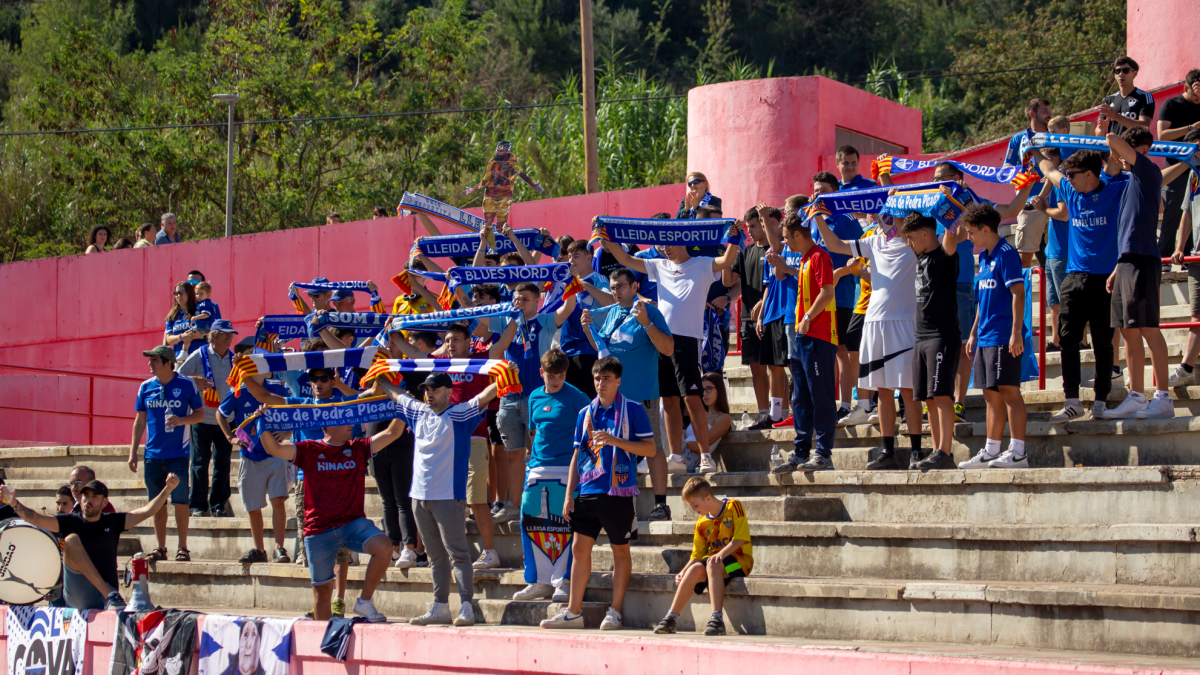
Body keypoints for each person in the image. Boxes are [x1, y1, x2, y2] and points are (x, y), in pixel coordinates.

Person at [601, 221, 740, 474]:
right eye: (662, 243)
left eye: (670, 242)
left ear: (683, 240)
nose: (666, 248)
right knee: (669, 399)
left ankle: (705, 455)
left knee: (691, 398)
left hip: (687, 340)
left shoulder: (702, 263)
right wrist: (605, 235)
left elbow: (727, 259)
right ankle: (676, 456)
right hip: (660, 338)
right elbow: (625, 258)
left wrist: (734, 236)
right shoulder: (659, 265)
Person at [376, 372, 501, 627]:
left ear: (448, 391)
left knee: (458, 553)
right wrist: (379, 377)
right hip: (419, 496)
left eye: (434, 389)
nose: (429, 393)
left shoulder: (460, 413)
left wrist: (507, 374)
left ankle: (466, 605)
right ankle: (440, 606)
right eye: (426, 390)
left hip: (448, 495)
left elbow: (485, 395)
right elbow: (398, 395)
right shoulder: (419, 411)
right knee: (434, 556)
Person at [258, 410, 406, 622]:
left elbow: (392, 433)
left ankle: (364, 602)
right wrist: (262, 421)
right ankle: (324, 644)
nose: (350, 425)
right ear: (328, 427)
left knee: (384, 546)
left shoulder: (358, 447)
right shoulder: (309, 449)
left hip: (352, 524)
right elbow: (273, 448)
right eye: (343, 422)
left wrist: (402, 407)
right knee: (322, 594)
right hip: (318, 530)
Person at [541, 357, 656, 631]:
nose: (600, 384)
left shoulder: (633, 409)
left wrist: (616, 441)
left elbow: (650, 449)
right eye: (596, 379)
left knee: (620, 552)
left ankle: (615, 611)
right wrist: (569, 494)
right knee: (580, 550)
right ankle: (573, 611)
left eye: (606, 378)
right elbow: (576, 457)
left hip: (618, 490)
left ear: (618, 381)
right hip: (588, 490)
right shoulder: (585, 413)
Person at [812, 208, 921, 471]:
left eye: (894, 215)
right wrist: (817, 215)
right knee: (882, 391)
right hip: (874, 322)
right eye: (887, 214)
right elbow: (834, 244)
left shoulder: (914, 244)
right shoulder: (873, 242)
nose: (888, 219)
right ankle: (887, 451)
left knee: (907, 391)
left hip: (905, 323)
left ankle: (917, 452)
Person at [388, 323, 501, 569]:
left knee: (476, 500)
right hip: (443, 441)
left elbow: (503, 344)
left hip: (473, 437)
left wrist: (515, 316)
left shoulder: (480, 360)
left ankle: (490, 551)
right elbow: (411, 351)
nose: (450, 344)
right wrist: (394, 333)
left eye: (456, 339)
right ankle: (438, 553)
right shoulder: (438, 364)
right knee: (441, 498)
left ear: (469, 341)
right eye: (447, 340)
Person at [1029, 147, 1123, 422]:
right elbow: (1048, 169)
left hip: (1104, 279)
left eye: (1073, 174)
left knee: (1103, 343)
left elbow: (1150, 179)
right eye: (1067, 174)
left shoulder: (1116, 189)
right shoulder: (1071, 191)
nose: (1067, 179)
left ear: (1091, 174)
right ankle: (1072, 401)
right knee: (1067, 340)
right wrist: (1033, 146)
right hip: (1073, 276)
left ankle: (1101, 402)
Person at [3, 477, 179, 611]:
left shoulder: (113, 521)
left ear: (104, 502)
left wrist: (168, 488)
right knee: (71, 540)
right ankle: (109, 595)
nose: (88, 500)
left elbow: (147, 511)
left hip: (108, 594)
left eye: (94, 497)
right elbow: (36, 519)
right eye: (85, 496)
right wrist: (14, 503)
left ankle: (109, 595)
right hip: (80, 594)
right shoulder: (69, 521)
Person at [582, 268, 676, 517]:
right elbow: (604, 354)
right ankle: (623, 503)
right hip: (615, 400)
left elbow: (668, 348)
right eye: (612, 288)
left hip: (643, 396)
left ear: (635, 287)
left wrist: (646, 324)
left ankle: (660, 504)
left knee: (653, 449)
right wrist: (587, 330)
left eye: (621, 286)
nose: (616, 292)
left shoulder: (649, 311)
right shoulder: (610, 313)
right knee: (618, 449)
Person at [489, 282, 576, 523]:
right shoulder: (506, 321)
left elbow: (569, 306)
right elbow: (477, 317)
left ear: (537, 301)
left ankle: (535, 502)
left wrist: (568, 278)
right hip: (508, 397)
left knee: (536, 451)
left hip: (536, 396)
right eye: (516, 299)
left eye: (524, 300)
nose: (519, 303)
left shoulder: (546, 320)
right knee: (513, 456)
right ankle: (514, 506)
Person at [1101, 127, 1173, 419]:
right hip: (1128, 260)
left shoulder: (1147, 168)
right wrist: (1118, 266)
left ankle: (1164, 397)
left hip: (1144, 260)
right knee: (1128, 330)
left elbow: (1110, 140)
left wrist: (1117, 141)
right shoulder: (1131, 179)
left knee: (1148, 329)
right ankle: (1137, 396)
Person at [513, 349, 591, 601]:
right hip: (536, 467)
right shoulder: (534, 396)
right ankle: (538, 581)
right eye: (551, 375)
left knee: (565, 525)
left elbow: (589, 435)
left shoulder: (578, 398)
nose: (556, 380)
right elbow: (534, 432)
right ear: (541, 374)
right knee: (530, 522)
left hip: (566, 468)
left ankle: (564, 580)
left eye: (560, 375)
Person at [894, 213, 970, 470]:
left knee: (941, 395)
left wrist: (946, 203)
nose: (908, 244)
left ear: (926, 235)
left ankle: (945, 453)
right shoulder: (920, 255)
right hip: (921, 336)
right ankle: (936, 449)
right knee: (928, 398)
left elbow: (951, 229)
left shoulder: (944, 253)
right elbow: (903, 226)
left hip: (942, 335)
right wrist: (895, 205)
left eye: (912, 238)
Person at [956, 204, 1029, 468]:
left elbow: (1018, 294)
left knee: (1009, 391)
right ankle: (991, 449)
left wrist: (1016, 333)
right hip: (985, 335)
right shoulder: (985, 256)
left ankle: (1019, 452)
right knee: (990, 395)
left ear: (986, 230)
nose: (969, 237)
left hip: (1003, 335)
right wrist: (974, 332)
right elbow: (982, 300)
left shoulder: (1007, 253)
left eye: (972, 232)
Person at [771, 213, 839, 473]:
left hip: (819, 336)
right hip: (802, 337)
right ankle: (800, 452)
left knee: (821, 396)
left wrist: (809, 317)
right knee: (800, 398)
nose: (785, 243)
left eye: (786, 237)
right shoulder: (803, 260)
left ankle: (823, 453)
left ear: (798, 234)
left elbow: (827, 291)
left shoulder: (820, 256)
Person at [217, 338, 291, 563]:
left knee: (278, 501)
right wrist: (230, 437)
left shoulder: (277, 388)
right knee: (253, 506)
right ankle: (259, 550)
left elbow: (293, 412)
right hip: (249, 456)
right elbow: (221, 413)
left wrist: (287, 434)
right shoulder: (237, 391)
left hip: (275, 454)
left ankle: (280, 548)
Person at [651, 476, 751, 636]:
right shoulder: (701, 522)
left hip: (738, 563)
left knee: (712, 564)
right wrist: (683, 571)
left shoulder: (734, 506)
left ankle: (717, 619)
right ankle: (671, 618)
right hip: (715, 564)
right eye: (691, 506)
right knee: (694, 570)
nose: (693, 509)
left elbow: (741, 538)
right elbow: (697, 554)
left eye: (695, 505)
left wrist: (721, 554)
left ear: (708, 498)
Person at [130, 344, 202, 562]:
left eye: (154, 360)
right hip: (152, 455)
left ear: (168, 363)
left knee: (180, 501)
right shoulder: (145, 387)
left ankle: (183, 547)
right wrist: (133, 451)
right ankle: (160, 547)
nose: (150, 364)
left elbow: (199, 414)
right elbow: (139, 420)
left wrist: (182, 420)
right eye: (150, 360)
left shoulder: (187, 384)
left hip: (178, 454)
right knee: (156, 503)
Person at [804, 174, 865, 420]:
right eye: (816, 190)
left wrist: (842, 271)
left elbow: (863, 254)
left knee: (842, 352)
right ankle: (826, 403)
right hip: (816, 300)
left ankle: (847, 404)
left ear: (836, 192)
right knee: (824, 353)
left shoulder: (846, 219)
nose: (819, 194)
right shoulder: (811, 220)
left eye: (825, 190)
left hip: (840, 297)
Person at [725, 205, 786, 430]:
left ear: (763, 223)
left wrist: (764, 303)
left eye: (753, 226)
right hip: (747, 319)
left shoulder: (777, 248)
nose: (749, 230)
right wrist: (730, 243)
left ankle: (781, 414)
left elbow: (777, 281)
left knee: (776, 367)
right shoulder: (745, 252)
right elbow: (727, 281)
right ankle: (763, 414)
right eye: (747, 227)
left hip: (772, 316)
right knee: (756, 368)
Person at [178, 320, 238, 517]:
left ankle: (219, 505)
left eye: (231, 334)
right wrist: (194, 380)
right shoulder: (199, 354)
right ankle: (197, 506)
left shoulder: (234, 358)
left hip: (226, 420)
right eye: (225, 334)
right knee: (199, 463)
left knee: (223, 464)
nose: (229, 338)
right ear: (213, 336)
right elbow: (178, 377)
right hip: (201, 419)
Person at [560, 240, 614, 398]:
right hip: (566, 350)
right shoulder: (566, 281)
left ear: (589, 257)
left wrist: (583, 284)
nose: (571, 261)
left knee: (587, 401)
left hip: (588, 349)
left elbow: (612, 301)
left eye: (576, 256)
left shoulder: (599, 279)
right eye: (569, 257)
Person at [1157, 69, 1200, 262]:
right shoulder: (1172, 104)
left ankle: (1189, 256)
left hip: (1197, 170)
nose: (1198, 99)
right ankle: (1164, 256)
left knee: (1194, 213)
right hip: (1176, 168)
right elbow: (1162, 135)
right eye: (1195, 93)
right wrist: (1192, 127)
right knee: (1172, 213)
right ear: (1186, 87)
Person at [1004, 97, 1052, 267]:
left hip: (1055, 202)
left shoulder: (1056, 136)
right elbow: (1007, 170)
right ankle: (1021, 293)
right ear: (1032, 113)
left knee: (1058, 256)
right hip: (1029, 203)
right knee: (1025, 257)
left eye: (1049, 110)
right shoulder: (1018, 140)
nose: (1049, 114)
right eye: (1044, 111)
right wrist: (1024, 175)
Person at [1168, 130, 1200, 386]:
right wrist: (1180, 246)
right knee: (1197, 314)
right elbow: (1186, 212)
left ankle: (1187, 365)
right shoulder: (1193, 173)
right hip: (1197, 256)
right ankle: (1187, 366)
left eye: (1195, 149)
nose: (1192, 154)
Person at [1031, 148, 1068, 352]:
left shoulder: (1063, 182)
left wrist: (1043, 209)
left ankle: (1077, 339)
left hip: (1064, 250)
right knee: (1054, 301)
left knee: (1066, 301)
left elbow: (1064, 214)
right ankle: (1057, 339)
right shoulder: (1052, 184)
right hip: (1053, 251)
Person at [461, 140, 543, 227]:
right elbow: (485, 180)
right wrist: (471, 190)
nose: (498, 153)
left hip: (505, 196)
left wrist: (533, 185)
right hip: (490, 195)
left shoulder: (512, 160)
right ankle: (488, 237)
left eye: (501, 151)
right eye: (497, 150)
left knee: (501, 225)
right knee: (488, 223)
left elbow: (521, 174)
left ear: (507, 151)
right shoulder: (493, 161)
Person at [1095, 57, 1155, 136]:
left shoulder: (1145, 96)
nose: (1121, 74)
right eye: (1118, 71)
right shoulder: (1108, 100)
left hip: (1133, 147)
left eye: (1125, 71)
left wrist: (1116, 117)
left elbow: (1144, 126)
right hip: (1113, 147)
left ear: (1134, 73)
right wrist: (1101, 129)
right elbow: (1099, 133)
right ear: (1115, 75)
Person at [685, 373, 732, 457]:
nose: (705, 394)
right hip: (682, 452)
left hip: (693, 458)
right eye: (702, 390)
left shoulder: (723, 418)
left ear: (719, 390)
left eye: (709, 389)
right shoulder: (699, 415)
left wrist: (678, 445)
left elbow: (703, 445)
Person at [164, 282, 202, 358]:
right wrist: (181, 337)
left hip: (199, 356)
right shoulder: (172, 316)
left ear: (189, 294)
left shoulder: (199, 311)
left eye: (182, 293)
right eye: (176, 293)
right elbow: (168, 339)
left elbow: (210, 331)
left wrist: (201, 335)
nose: (178, 296)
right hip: (180, 357)